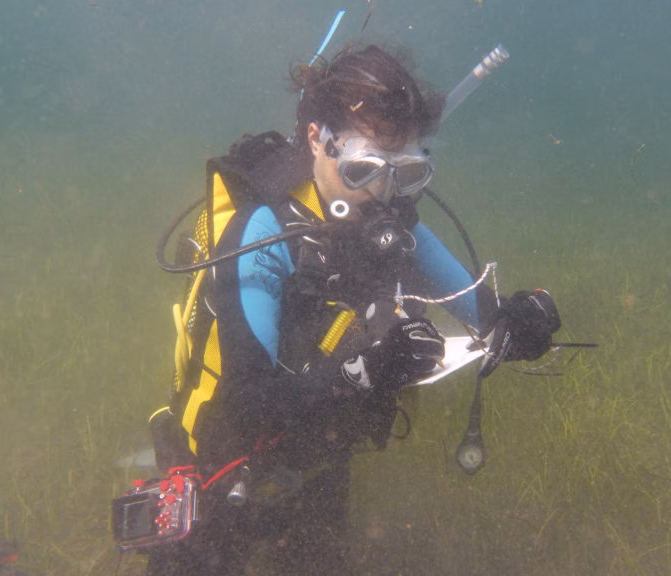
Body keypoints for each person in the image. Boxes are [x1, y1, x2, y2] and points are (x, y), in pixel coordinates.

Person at [143, 44, 560, 575]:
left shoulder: (395, 227)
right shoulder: (263, 232)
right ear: (316, 139)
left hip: (316, 461)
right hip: (218, 468)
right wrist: (365, 371)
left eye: (403, 173)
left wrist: (523, 323)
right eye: (363, 169)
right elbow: (246, 408)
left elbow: (486, 316)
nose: (381, 194)